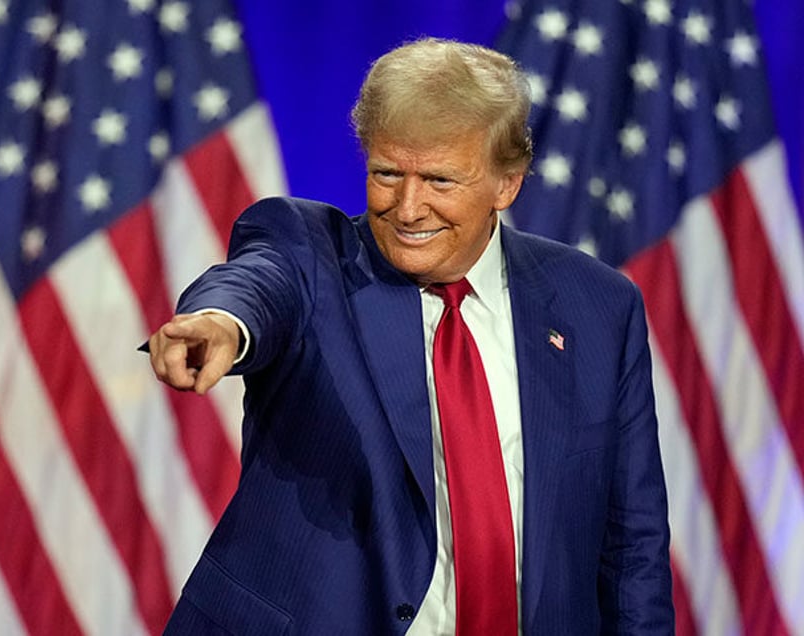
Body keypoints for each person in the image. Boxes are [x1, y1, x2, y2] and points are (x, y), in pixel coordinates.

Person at [148, 38, 674, 634]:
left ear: (508, 184)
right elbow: (258, 284)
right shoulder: (315, 257)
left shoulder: (598, 305)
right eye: (387, 173)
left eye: (441, 181)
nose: (407, 207)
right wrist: (221, 324)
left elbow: (632, 547)